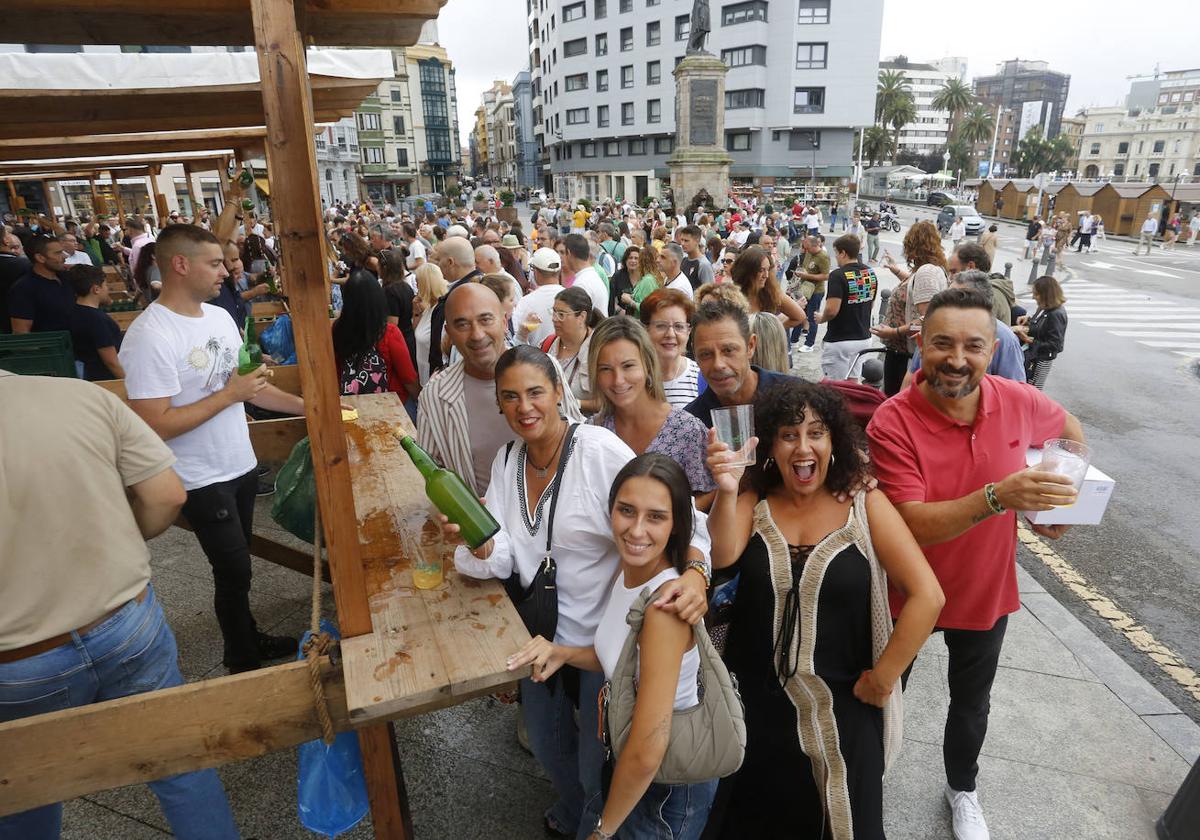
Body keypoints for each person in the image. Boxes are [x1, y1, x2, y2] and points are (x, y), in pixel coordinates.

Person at [444, 345, 711, 840]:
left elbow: (677, 518)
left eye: (535, 393)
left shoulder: (597, 451)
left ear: (558, 392)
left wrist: (695, 574)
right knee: (547, 746)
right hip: (542, 637)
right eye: (510, 397)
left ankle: (592, 824)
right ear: (499, 404)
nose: (525, 407)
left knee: (596, 763)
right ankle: (573, 810)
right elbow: (506, 553)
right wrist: (477, 542)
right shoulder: (507, 460)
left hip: (602, 647)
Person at [867, 287, 1086, 840]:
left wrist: (1062, 505)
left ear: (994, 349)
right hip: (904, 593)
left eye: (973, 346)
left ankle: (962, 790)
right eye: (942, 343)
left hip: (985, 588)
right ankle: (864, 783)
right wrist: (999, 497)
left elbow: (1071, 432)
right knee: (881, 693)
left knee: (972, 704)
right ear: (920, 344)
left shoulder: (1018, 399)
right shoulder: (892, 421)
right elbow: (912, 523)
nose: (957, 359)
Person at [0, 371, 239, 839]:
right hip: (127, 621)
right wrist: (119, 535)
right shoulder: (79, 395)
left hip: (19, 662)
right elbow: (167, 495)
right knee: (181, 765)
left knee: (23, 795)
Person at [705, 380, 943, 839]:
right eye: (789, 434)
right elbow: (721, 556)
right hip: (754, 714)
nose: (803, 447)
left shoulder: (863, 502)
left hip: (843, 713)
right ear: (771, 445)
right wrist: (728, 490)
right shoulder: (754, 499)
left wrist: (883, 679)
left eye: (816, 433)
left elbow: (927, 595)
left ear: (835, 440)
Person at [119, 224, 301, 674]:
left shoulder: (219, 316)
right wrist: (229, 396)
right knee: (233, 569)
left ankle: (247, 638)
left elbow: (251, 388)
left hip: (238, 465)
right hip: (198, 478)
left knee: (240, 568)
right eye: (215, 263)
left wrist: (313, 407)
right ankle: (241, 658)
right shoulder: (150, 335)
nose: (226, 272)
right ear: (180, 265)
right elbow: (152, 424)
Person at [507, 454, 719, 840]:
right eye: (626, 511)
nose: (637, 530)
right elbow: (624, 659)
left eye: (655, 516)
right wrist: (565, 653)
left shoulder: (663, 608)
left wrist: (602, 830)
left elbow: (647, 749)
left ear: (675, 527)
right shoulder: (630, 572)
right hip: (637, 773)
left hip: (664, 789)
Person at [418, 283, 582, 496]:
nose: (477, 335)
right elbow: (432, 472)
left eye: (485, 320)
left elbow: (576, 435)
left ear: (504, 322)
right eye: (462, 325)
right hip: (486, 524)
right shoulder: (435, 397)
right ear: (449, 333)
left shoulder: (545, 368)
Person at [589, 316, 716, 505]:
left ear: (648, 366)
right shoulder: (594, 431)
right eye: (606, 369)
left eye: (628, 366)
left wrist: (667, 520)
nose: (618, 380)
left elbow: (709, 494)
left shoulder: (686, 430)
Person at [903, 269, 1028, 388]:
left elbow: (1015, 390)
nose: (957, 362)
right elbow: (911, 378)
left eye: (974, 347)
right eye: (942, 344)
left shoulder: (1005, 339)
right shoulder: (933, 327)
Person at [685, 298, 797, 428]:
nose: (718, 364)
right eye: (706, 354)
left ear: (750, 346)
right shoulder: (691, 424)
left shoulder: (795, 399)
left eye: (728, 350)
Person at [333, 268, 419, 402]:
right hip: (391, 406)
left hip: (351, 404)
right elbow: (408, 377)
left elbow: (337, 370)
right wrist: (420, 400)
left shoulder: (337, 329)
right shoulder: (389, 332)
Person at [815, 234, 878, 382]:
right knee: (853, 382)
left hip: (841, 339)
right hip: (863, 337)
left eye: (836, 253)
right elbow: (871, 303)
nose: (836, 257)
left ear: (843, 253)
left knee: (835, 386)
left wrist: (821, 318)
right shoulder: (869, 272)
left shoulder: (838, 275)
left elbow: (831, 310)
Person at [638, 288, 705, 409]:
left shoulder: (702, 378)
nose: (670, 334)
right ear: (646, 329)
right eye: (661, 326)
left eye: (678, 326)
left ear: (688, 331)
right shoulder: (634, 377)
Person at [427, 236, 481, 376]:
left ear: (450, 262)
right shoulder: (483, 287)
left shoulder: (461, 297)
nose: (438, 265)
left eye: (439, 260)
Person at [544, 286, 600, 414]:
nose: (554, 319)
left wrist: (574, 403)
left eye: (561, 314)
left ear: (581, 317)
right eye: (553, 312)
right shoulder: (548, 344)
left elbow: (608, 402)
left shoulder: (599, 350)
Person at [67, 263, 123, 381]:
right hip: (103, 378)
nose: (107, 289)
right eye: (105, 285)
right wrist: (129, 384)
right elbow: (111, 361)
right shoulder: (97, 319)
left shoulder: (74, 311)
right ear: (96, 289)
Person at [7, 235, 73, 334]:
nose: (64, 257)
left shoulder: (66, 278)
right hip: (53, 347)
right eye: (58, 253)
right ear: (40, 258)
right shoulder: (24, 289)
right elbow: (21, 333)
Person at [729, 245, 806, 329]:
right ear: (748, 271)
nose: (766, 275)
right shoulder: (731, 294)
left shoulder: (770, 291)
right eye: (761, 270)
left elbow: (799, 316)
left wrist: (769, 331)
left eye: (767, 269)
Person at [1014, 275, 1068, 390]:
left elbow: (1056, 345)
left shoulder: (1056, 314)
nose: (1033, 297)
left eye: (1036, 294)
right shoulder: (1045, 307)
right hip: (1033, 355)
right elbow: (1042, 326)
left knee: (1033, 390)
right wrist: (1028, 320)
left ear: (1046, 295)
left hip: (1040, 360)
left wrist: (1029, 340)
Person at [514, 247, 567, 348]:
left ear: (536, 272)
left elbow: (518, 338)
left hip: (536, 359)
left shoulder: (525, 302)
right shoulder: (571, 297)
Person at [786, 236, 829, 354]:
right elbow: (806, 269)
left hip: (816, 291)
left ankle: (809, 344)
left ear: (814, 245)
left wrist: (806, 276)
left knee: (812, 317)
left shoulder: (823, 256)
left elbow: (826, 276)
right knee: (799, 313)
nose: (804, 249)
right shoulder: (809, 252)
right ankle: (793, 341)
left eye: (807, 246)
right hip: (803, 288)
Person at [413, 262, 448, 386]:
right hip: (424, 375)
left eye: (418, 282)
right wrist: (416, 312)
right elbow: (417, 333)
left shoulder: (441, 310)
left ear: (425, 284)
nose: (416, 286)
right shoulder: (428, 307)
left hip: (435, 378)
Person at [561, 233, 609, 317]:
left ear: (568, 253)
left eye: (562, 253)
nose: (561, 257)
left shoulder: (581, 284)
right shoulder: (591, 276)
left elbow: (577, 320)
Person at [678, 224, 714, 290]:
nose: (682, 244)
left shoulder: (703, 265)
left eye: (686, 241)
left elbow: (710, 292)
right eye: (682, 240)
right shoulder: (684, 260)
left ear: (697, 240)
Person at [608, 246, 641, 317]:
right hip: (621, 319)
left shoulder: (645, 278)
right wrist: (619, 310)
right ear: (625, 260)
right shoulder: (618, 276)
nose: (633, 261)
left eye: (636, 258)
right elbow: (610, 298)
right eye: (630, 258)